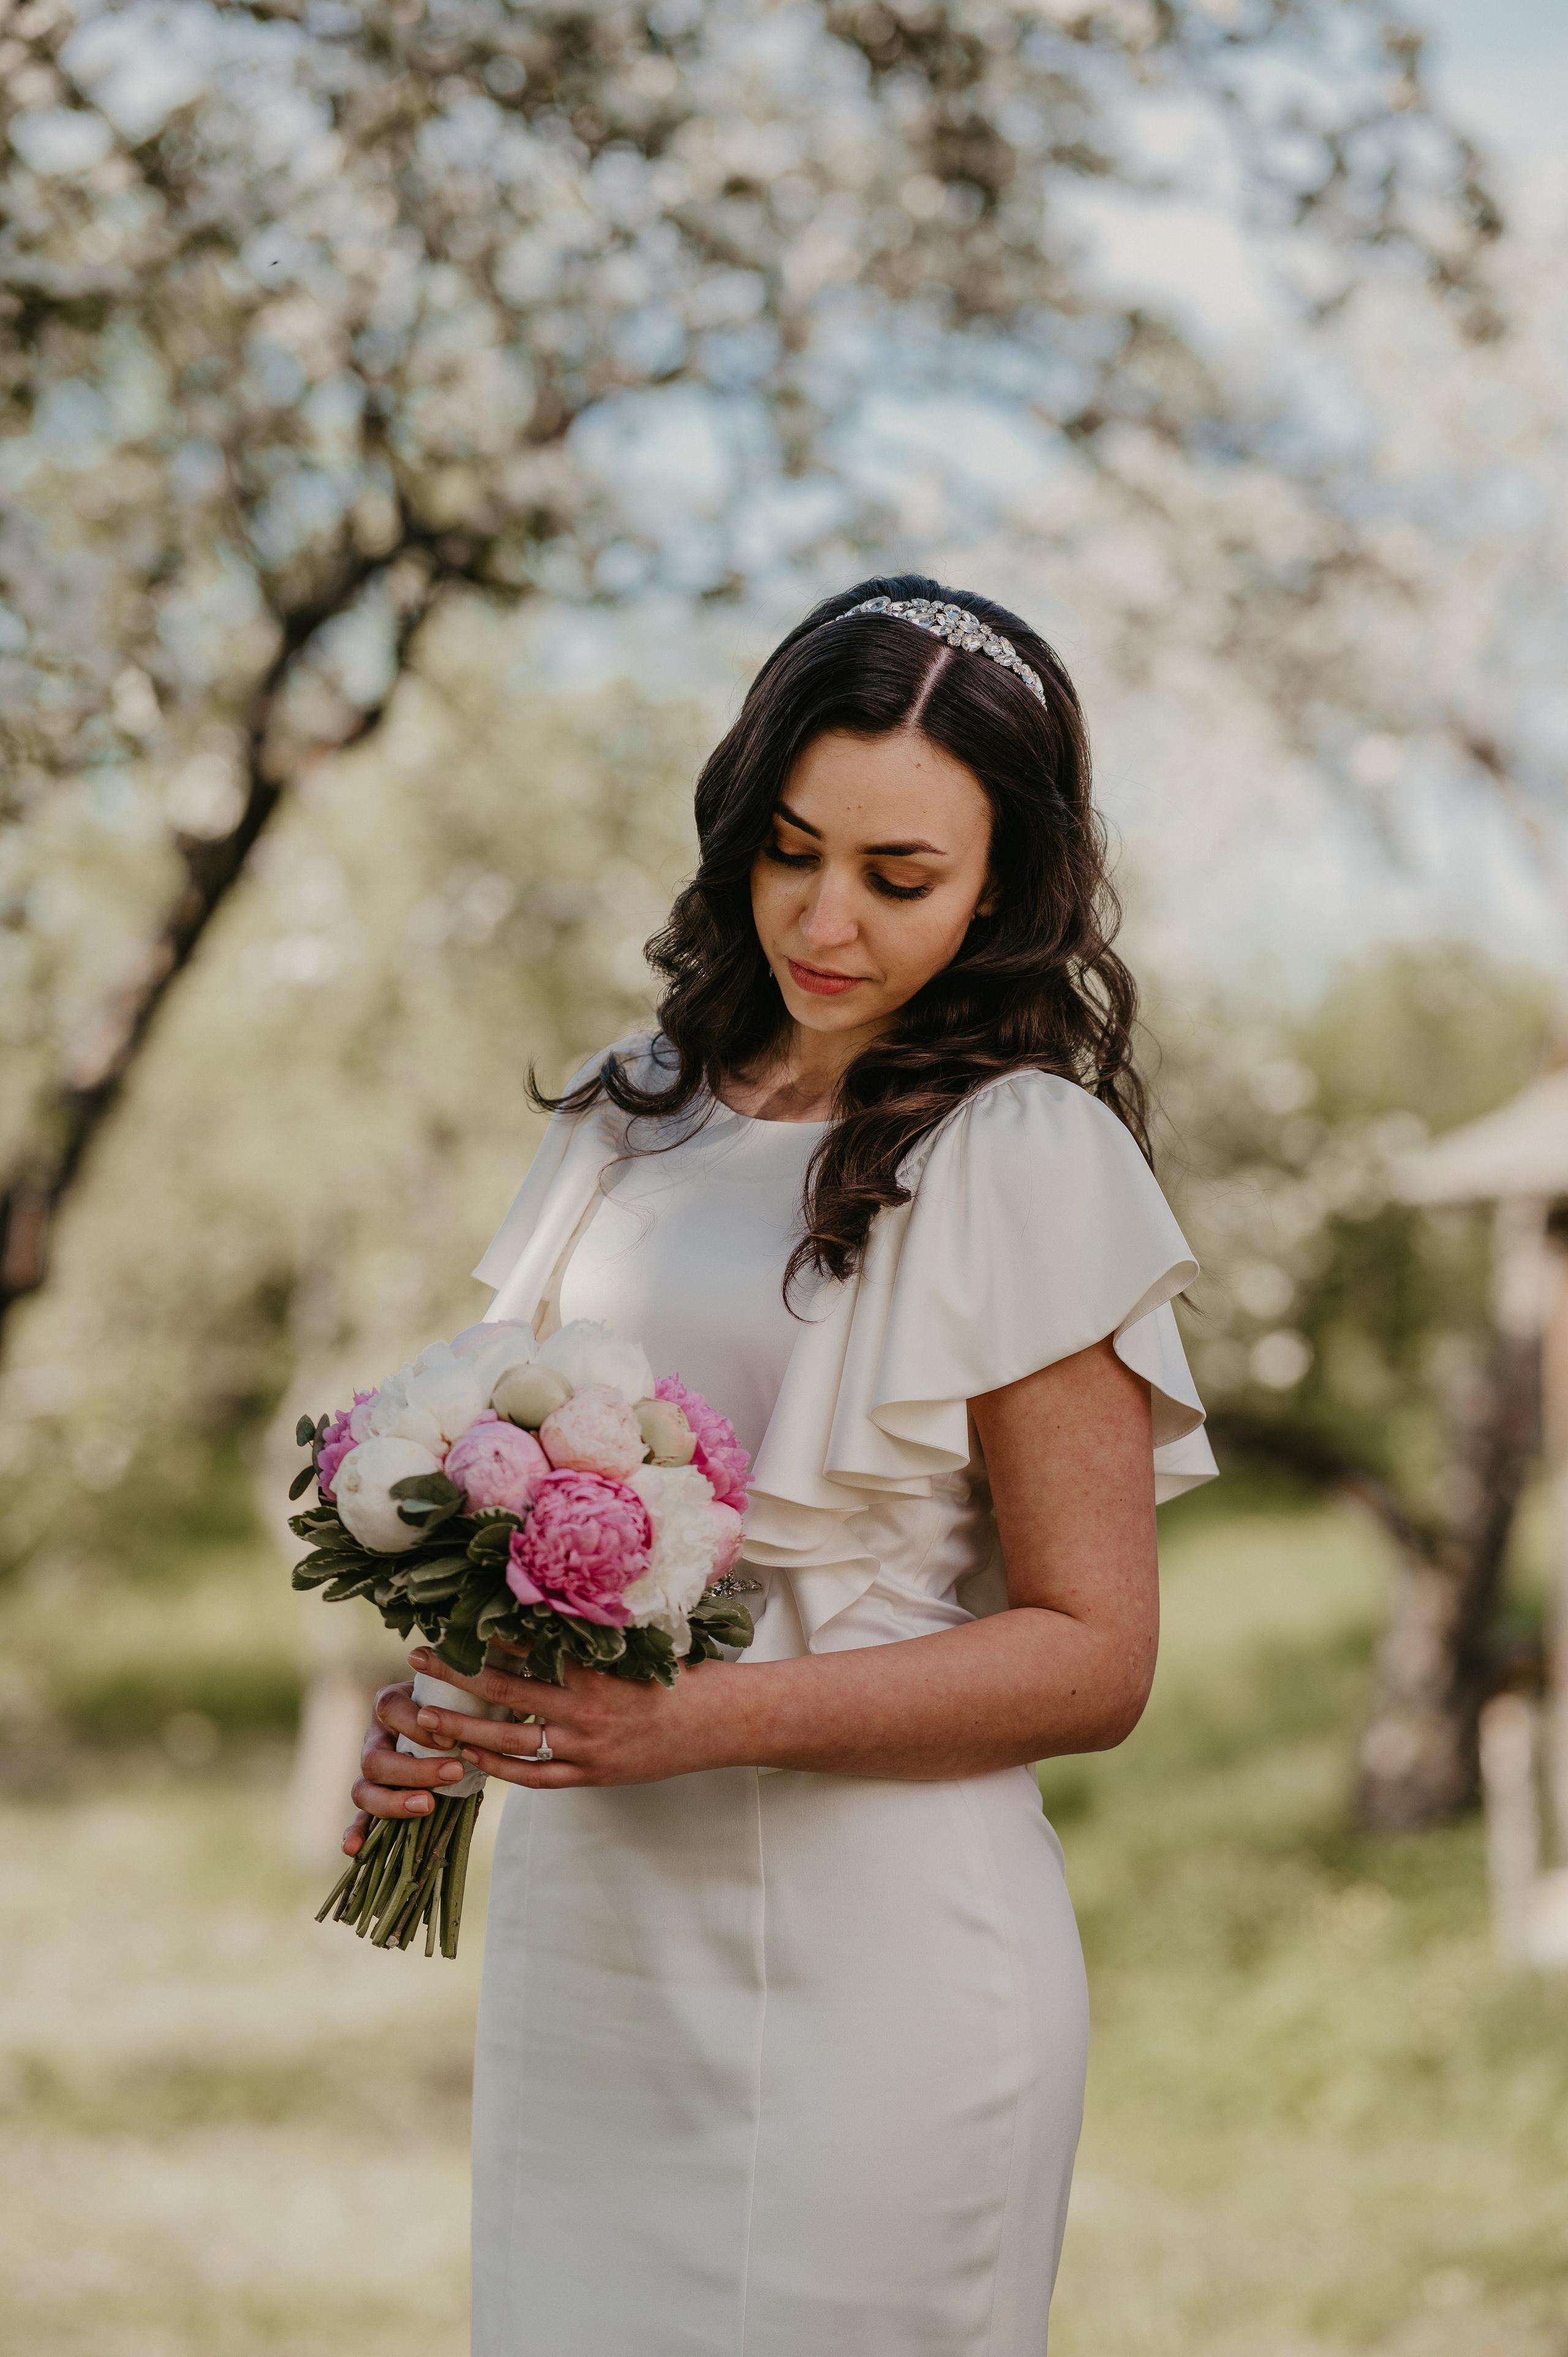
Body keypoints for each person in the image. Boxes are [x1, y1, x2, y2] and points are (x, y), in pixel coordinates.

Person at [342, 577, 1215, 2356]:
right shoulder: (629, 1111)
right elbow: (532, 1501)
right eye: (792, 850)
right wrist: (452, 1695)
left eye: (902, 879)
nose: (828, 918)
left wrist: (691, 1725)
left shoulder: (1022, 1155)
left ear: (1004, 888)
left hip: (881, 1968)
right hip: (597, 1941)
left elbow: (1094, 1652)